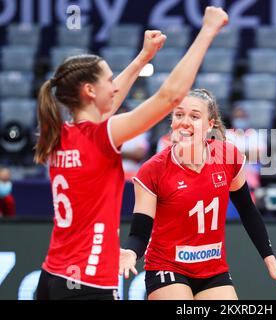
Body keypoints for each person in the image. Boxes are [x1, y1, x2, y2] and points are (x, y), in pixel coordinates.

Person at [34, 7, 229, 300]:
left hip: (52, 276)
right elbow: (170, 97)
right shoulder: (100, 137)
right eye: (108, 81)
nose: (114, 88)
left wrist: (142, 59)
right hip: (87, 282)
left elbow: (105, 107)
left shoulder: (60, 134)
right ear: (89, 91)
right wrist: (207, 32)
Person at [119, 89, 276, 300]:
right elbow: (139, 232)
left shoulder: (227, 156)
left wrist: (271, 260)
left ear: (210, 125)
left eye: (194, 116)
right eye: (179, 115)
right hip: (167, 267)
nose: (184, 122)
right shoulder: (153, 169)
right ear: (172, 121)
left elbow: (247, 210)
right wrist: (130, 253)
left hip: (213, 269)